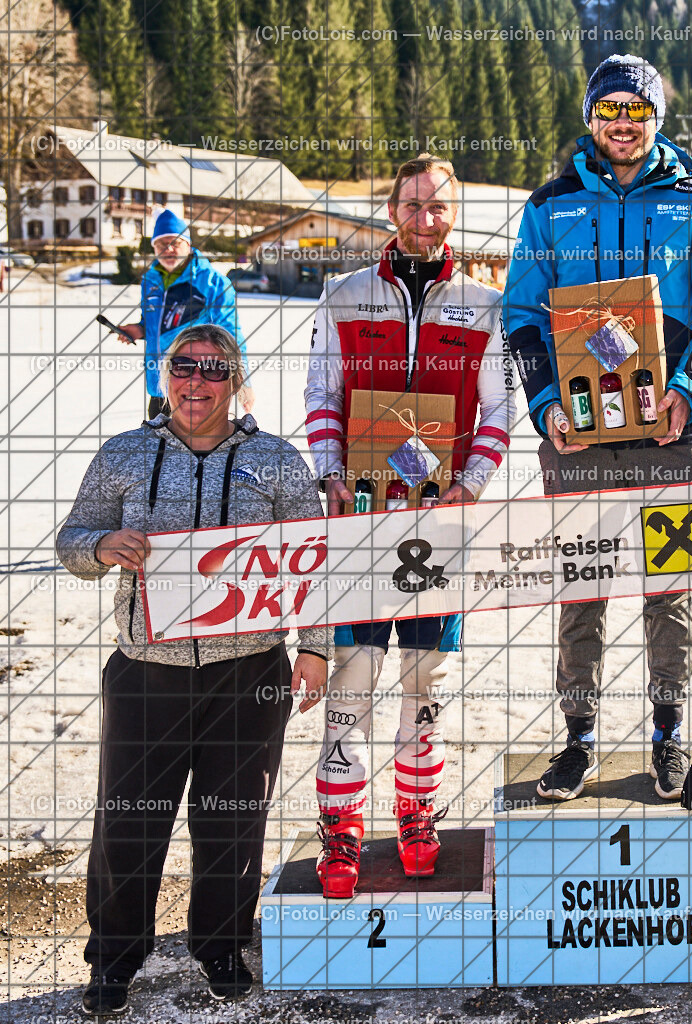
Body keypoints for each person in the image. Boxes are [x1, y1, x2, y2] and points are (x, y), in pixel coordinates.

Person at [56, 324, 330, 1014]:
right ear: (163, 375)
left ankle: (219, 944)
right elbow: (70, 540)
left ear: (233, 380)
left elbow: (319, 560)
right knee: (128, 821)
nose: (196, 384)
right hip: (146, 670)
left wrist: (316, 647)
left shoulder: (275, 460)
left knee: (231, 821)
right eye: (183, 369)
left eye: (212, 371)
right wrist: (102, 544)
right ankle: (114, 958)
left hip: (250, 672)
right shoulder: (123, 453)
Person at [503, 53, 692, 802]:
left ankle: (669, 734)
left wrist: (688, 390)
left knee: (667, 585)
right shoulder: (548, 205)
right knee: (581, 585)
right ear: (589, 118)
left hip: (667, 427)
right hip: (578, 431)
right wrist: (546, 405)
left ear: (654, 119)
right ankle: (577, 740)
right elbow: (519, 315)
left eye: (634, 111)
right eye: (608, 109)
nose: (621, 123)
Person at [302, 154, 514, 896]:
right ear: (391, 208)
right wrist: (329, 470)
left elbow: (498, 411)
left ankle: (416, 815)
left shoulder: (483, 304)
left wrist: (470, 483)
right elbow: (322, 395)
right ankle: (341, 831)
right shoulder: (344, 294)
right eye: (413, 204)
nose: (425, 218)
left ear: (453, 214)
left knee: (425, 683)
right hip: (358, 522)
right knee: (351, 680)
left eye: (439, 207)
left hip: (439, 529)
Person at [114, 210, 247, 418]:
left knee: (198, 449)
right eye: (160, 244)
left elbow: (231, 336)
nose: (168, 249)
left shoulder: (214, 284)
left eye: (174, 243)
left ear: (188, 244)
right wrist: (139, 329)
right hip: (158, 388)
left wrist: (243, 380)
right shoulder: (151, 281)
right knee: (160, 449)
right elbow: (155, 324)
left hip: (197, 387)